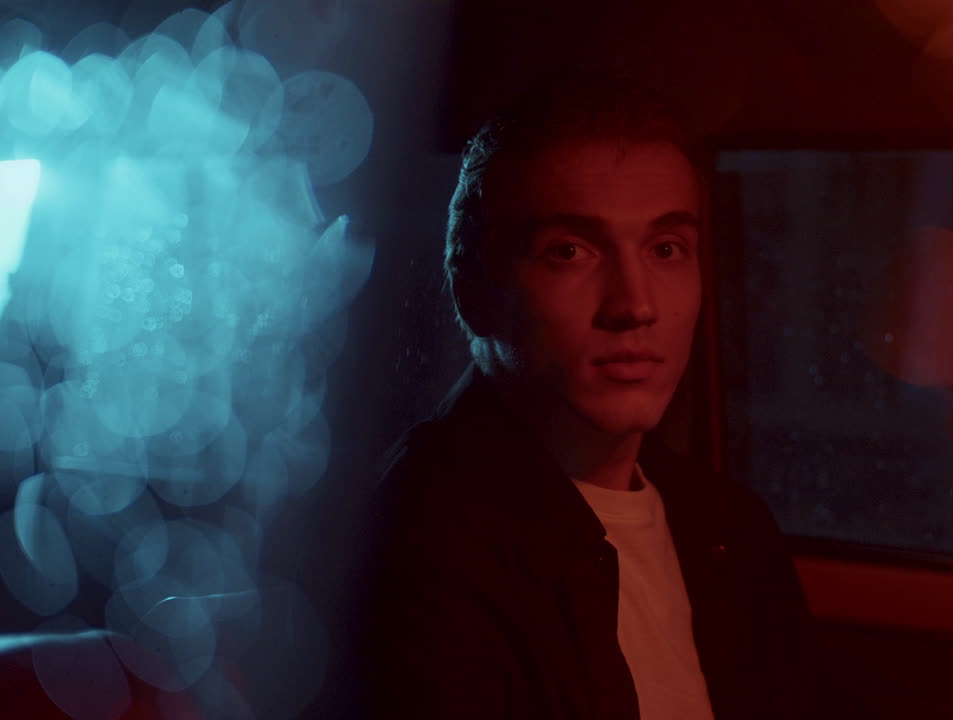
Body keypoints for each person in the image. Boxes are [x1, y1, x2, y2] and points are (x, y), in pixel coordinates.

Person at [348, 72, 861, 720]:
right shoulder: (419, 547)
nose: (635, 305)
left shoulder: (730, 528)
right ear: (474, 292)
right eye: (570, 251)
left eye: (667, 248)